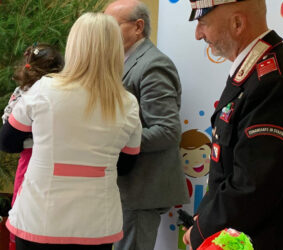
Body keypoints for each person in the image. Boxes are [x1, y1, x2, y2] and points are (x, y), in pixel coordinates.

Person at [182, 0, 283, 249]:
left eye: (203, 22)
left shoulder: (275, 83)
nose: (198, 34)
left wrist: (201, 231)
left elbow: (252, 188)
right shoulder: (263, 71)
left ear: (237, 23)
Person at [0, 12, 142, 250]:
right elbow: (126, 165)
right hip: (97, 225)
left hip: (39, 221)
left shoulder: (44, 90)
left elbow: (7, 142)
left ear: (73, 47)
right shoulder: (127, 103)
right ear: (116, 51)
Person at [104, 1, 189, 249]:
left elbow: (167, 131)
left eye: (112, 25)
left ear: (138, 27)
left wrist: (111, 143)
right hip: (126, 188)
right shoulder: (124, 61)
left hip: (141, 190)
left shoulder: (153, 64)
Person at [1, 43, 64, 250]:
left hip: (28, 155)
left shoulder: (21, 92)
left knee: (23, 201)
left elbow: (6, 121)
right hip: (40, 155)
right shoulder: (42, 94)